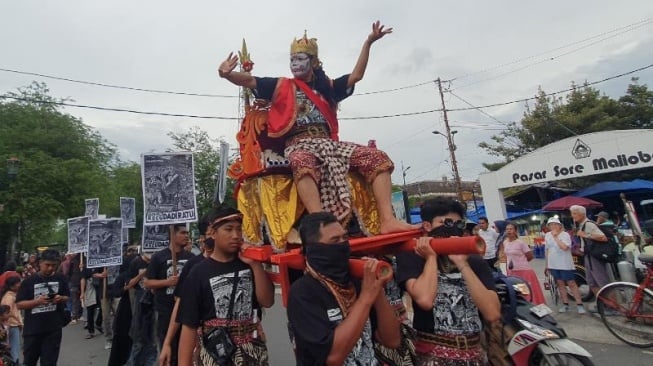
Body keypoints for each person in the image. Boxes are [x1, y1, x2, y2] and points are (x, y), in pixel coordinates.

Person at [217, 21, 417, 235]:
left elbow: (356, 76)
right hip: (298, 143)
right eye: (292, 59)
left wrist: (368, 42)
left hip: (329, 143)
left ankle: (387, 220)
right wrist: (227, 74)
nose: (295, 63)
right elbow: (249, 80)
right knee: (301, 162)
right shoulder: (282, 85)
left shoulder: (327, 87)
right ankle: (322, 227)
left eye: (300, 58)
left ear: (313, 62)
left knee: (377, 158)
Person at [396, 197, 500, 365]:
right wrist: (430, 258)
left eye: (459, 224)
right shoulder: (412, 256)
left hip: (475, 354)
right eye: (446, 223)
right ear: (428, 226)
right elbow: (424, 299)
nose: (453, 229)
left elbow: (492, 312)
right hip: (433, 354)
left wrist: (462, 264)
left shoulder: (473, 260)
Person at [287, 212, 401, 365]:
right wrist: (366, 298)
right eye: (334, 241)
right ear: (313, 249)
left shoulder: (356, 283)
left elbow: (392, 340)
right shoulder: (302, 292)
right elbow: (333, 357)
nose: (342, 245)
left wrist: (377, 290)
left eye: (344, 238)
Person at [178, 206, 275, 366]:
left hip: (251, 351)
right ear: (213, 233)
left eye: (239, 229)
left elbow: (267, 301)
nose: (236, 235)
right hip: (215, 353)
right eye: (228, 229)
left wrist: (255, 265)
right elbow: (189, 325)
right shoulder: (198, 272)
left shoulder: (250, 266)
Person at [159, 212, 214, 366]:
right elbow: (181, 304)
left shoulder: (241, 262)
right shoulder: (194, 266)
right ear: (204, 236)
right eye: (212, 231)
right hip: (201, 343)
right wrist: (167, 342)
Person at [143, 223, 194, 365]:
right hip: (165, 311)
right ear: (172, 235)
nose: (186, 236)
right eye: (183, 233)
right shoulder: (158, 257)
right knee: (169, 351)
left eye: (187, 233)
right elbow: (147, 283)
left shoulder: (191, 258)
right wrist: (167, 282)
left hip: (187, 311)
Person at [16, 249, 70, 366]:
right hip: (33, 331)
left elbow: (67, 296)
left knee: (49, 362)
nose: (50, 268)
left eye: (54, 265)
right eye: (47, 265)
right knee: (29, 362)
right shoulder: (28, 282)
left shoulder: (60, 278)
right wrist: (37, 302)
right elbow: (19, 304)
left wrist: (60, 298)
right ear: (40, 263)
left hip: (53, 329)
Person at [570, 204, 608, 312]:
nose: (573, 216)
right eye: (572, 214)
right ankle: (602, 303)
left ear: (582, 214)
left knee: (602, 282)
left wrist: (585, 235)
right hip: (587, 256)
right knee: (592, 282)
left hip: (594, 257)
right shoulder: (581, 225)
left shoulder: (589, 224)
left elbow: (603, 238)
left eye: (575, 213)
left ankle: (611, 306)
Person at [544, 217, 585, 314]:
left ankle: (579, 304)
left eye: (555, 224)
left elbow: (565, 247)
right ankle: (565, 304)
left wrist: (555, 237)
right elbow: (547, 250)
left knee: (571, 283)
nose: (553, 226)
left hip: (565, 264)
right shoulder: (547, 235)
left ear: (559, 225)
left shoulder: (565, 235)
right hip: (553, 264)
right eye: (550, 225)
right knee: (560, 284)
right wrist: (547, 265)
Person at [125, 250, 157, 366]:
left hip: (154, 303)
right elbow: (128, 285)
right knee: (139, 338)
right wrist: (141, 275)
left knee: (152, 338)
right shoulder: (135, 263)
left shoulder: (157, 262)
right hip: (140, 303)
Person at [502, 222, 546, 305]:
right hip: (512, 272)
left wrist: (521, 263)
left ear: (515, 231)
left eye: (511, 229)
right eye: (507, 229)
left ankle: (533, 306)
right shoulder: (505, 242)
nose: (509, 231)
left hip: (523, 271)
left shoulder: (520, 243)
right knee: (518, 292)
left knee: (527, 291)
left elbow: (530, 256)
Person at [1, 276, 22, 365]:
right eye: (18, 283)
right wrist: (18, 320)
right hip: (12, 325)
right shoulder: (9, 297)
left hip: (12, 324)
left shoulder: (12, 295)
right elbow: (5, 313)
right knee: (14, 349)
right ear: (12, 286)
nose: (20, 285)